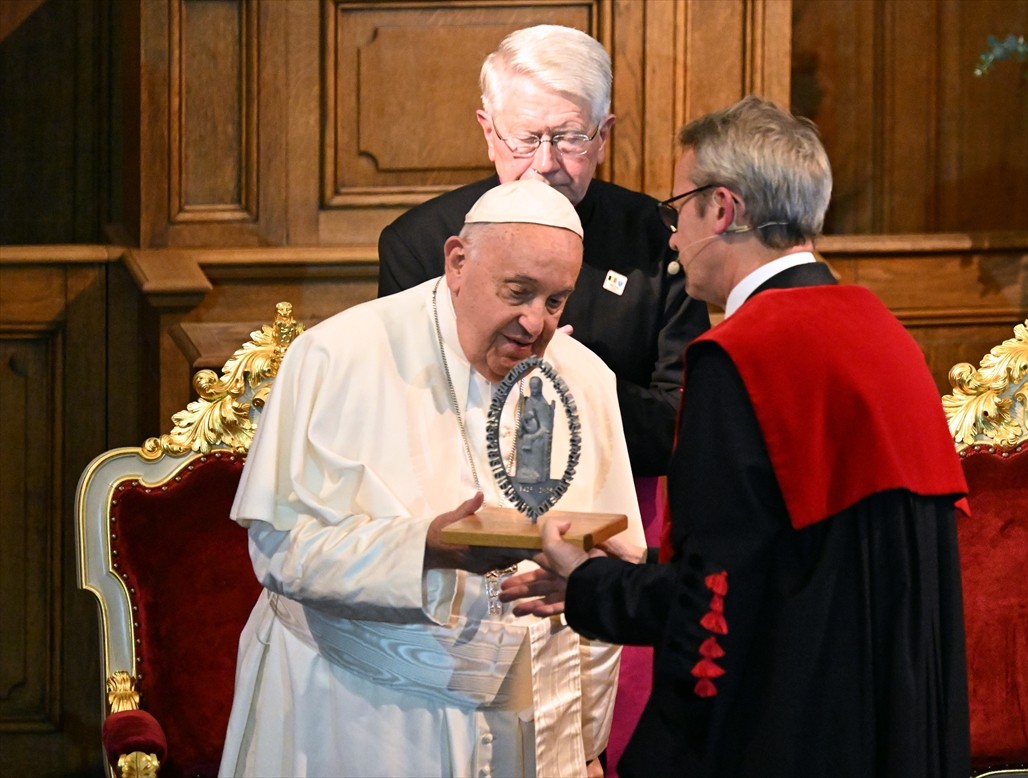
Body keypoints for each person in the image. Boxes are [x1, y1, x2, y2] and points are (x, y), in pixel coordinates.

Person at [500, 97, 972, 777]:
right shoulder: (882, 332)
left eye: (677, 211)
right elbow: (795, 557)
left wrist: (590, 585)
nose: (670, 238)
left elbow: (716, 612)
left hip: (784, 734)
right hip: (890, 729)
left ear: (722, 209)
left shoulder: (740, 356)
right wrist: (653, 559)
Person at [219, 180, 646, 777]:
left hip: (532, 726)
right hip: (359, 720)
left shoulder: (584, 379)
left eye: (555, 302)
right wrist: (425, 548)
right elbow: (281, 550)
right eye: (517, 292)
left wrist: (583, 586)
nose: (535, 324)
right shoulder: (337, 357)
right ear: (458, 262)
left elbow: (616, 557)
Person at [376, 24, 710, 481]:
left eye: (570, 137)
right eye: (526, 138)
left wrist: (575, 380)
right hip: (457, 504)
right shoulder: (418, 242)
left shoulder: (659, 240)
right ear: (489, 132)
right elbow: (399, 413)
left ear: (603, 137)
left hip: (611, 505)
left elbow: (685, 423)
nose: (546, 163)